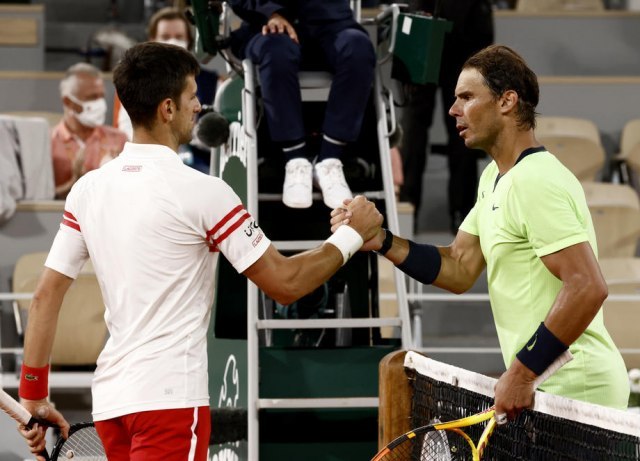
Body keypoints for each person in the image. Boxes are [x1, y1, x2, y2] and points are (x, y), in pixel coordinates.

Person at [18, 42, 382, 461]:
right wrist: (352, 236)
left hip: (111, 406)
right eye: (192, 96)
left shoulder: (87, 190)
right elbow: (285, 283)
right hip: (170, 403)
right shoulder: (204, 192)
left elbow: (45, 297)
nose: (199, 105)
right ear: (167, 108)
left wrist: (34, 395)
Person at [332, 45, 630, 421]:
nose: (453, 110)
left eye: (467, 97)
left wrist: (522, 372)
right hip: (547, 387)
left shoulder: (535, 179)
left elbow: (587, 286)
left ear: (507, 101)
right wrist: (383, 240)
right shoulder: (494, 177)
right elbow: (459, 266)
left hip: (577, 389)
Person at [229, 0, 376, 209]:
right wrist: (271, 13)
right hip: (267, 26)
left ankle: (329, 161)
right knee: (276, 50)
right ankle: (296, 160)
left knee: (358, 48)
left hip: (332, 24)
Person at [398, 0, 494, 233]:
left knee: (464, 126)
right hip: (423, 26)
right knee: (414, 130)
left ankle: (462, 214)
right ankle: (407, 209)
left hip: (461, 31)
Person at [113, 7, 220, 172]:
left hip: (200, 165)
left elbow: (217, 135)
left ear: (189, 41)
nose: (172, 41)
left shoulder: (212, 81)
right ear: (152, 40)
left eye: (179, 36)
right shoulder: (134, 81)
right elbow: (127, 130)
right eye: (165, 36)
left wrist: (190, 134)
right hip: (148, 163)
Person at [51, 63, 127, 199]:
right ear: (68, 102)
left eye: (101, 96)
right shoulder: (49, 143)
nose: (100, 104)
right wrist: (73, 184)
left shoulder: (119, 140)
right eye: (92, 97)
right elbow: (42, 198)